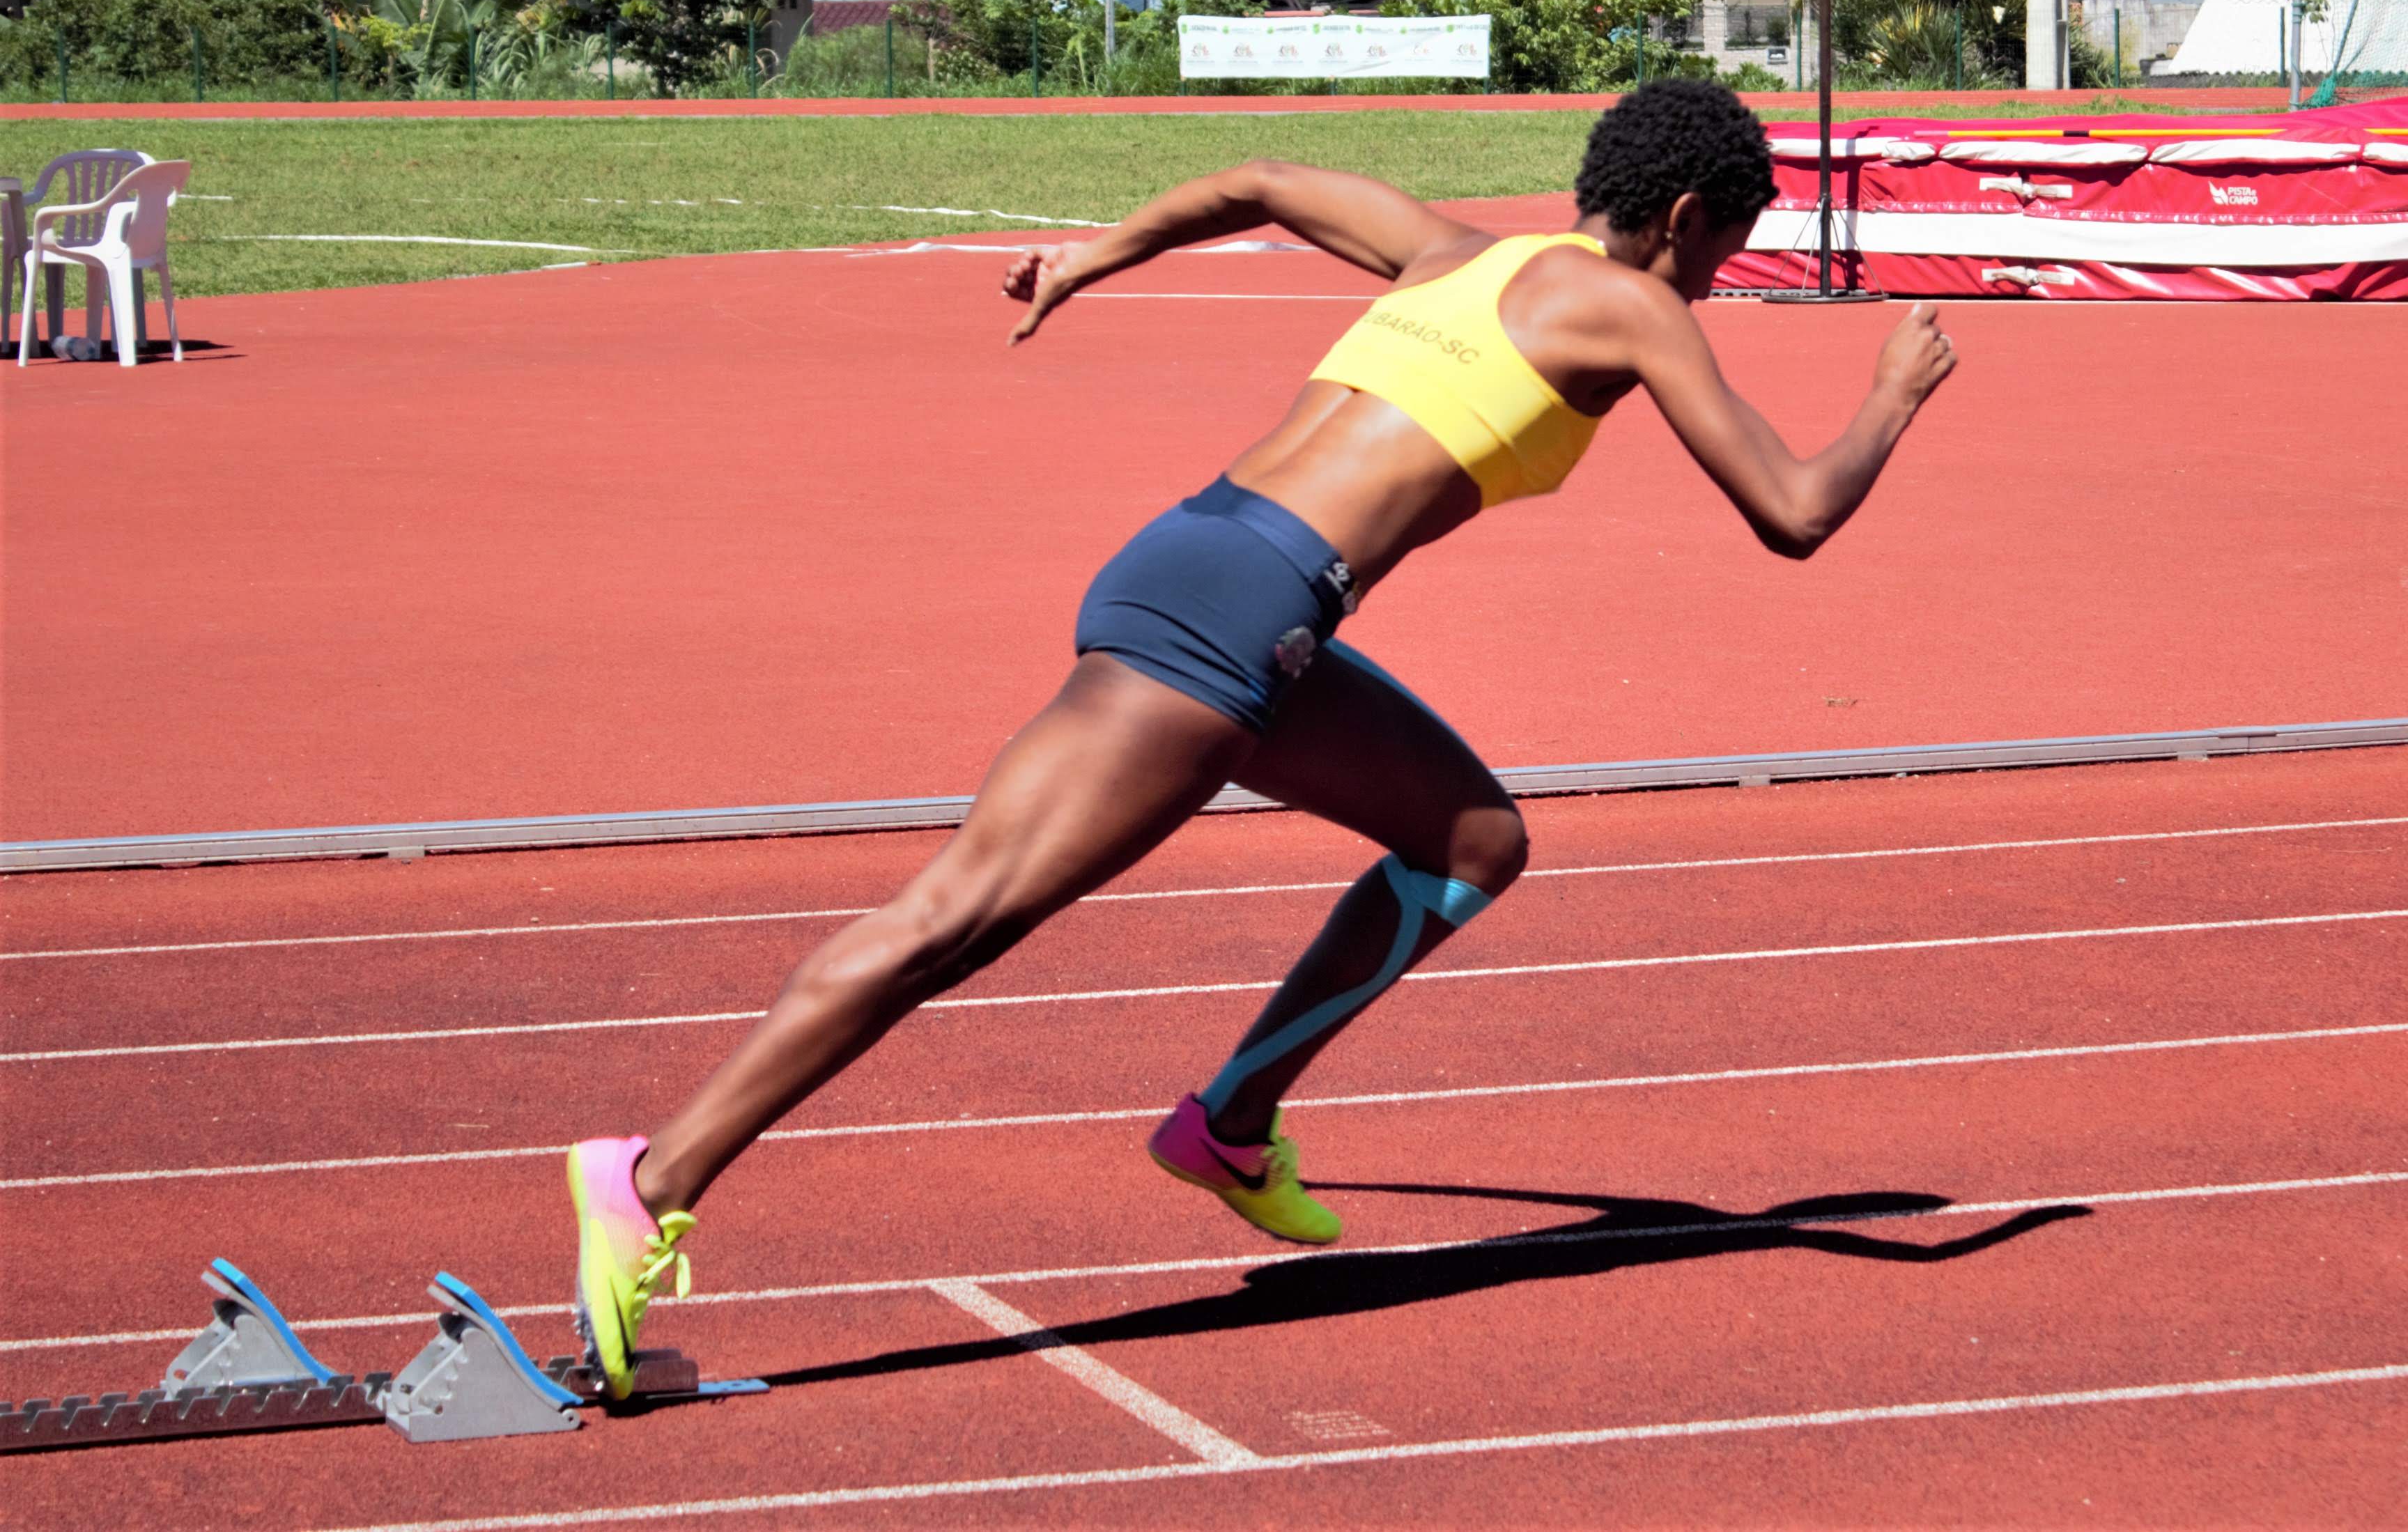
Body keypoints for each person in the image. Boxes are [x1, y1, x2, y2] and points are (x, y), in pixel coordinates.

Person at [559, 80, 1956, 1398]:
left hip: (1213, 563)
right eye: (1731, 243)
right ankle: (654, 1178)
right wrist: (1894, 391)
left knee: (1472, 838)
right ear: (1682, 214)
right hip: (1234, 620)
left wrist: (1088, 261)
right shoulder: (1631, 305)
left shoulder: (1450, 253)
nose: (1723, 275)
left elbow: (1266, 180)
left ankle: (1230, 1124)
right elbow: (1793, 511)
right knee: (956, 920)